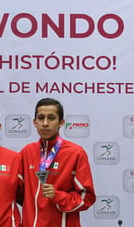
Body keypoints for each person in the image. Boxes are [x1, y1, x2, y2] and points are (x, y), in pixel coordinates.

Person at [20, 97, 96, 227]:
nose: (45, 123)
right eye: (41, 118)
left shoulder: (75, 153)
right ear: (34, 122)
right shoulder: (26, 152)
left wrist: (58, 196)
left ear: (61, 122)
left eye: (51, 118)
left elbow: (87, 198)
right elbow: (17, 193)